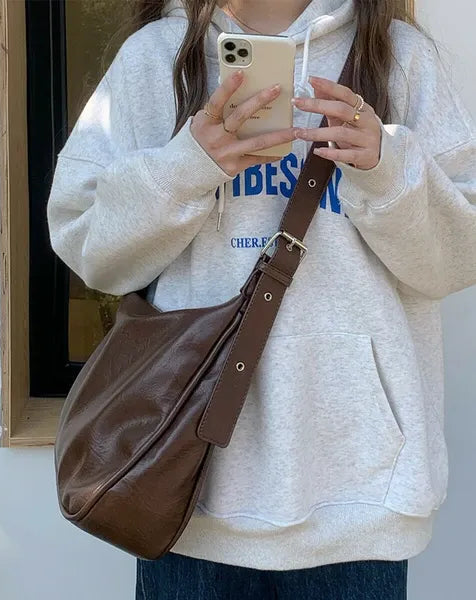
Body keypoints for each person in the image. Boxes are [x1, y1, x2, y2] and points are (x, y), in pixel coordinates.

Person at [46, 0, 476, 598]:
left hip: (358, 502)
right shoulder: (155, 58)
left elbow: (459, 259)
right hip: (183, 493)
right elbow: (87, 244)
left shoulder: (399, 57)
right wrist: (187, 165)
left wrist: (386, 168)